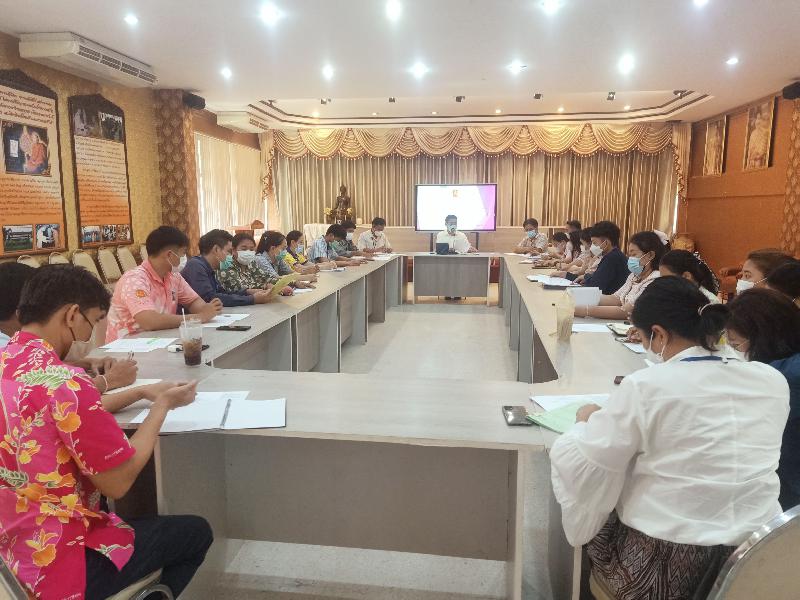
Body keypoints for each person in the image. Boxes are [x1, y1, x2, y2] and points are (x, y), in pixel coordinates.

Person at [551, 276, 789, 600]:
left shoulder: (647, 385)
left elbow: (591, 461)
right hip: (756, 559)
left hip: (663, 561)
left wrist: (584, 422)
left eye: (645, 339)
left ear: (659, 334)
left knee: (595, 515)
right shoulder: (772, 380)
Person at [0, 264, 213, 599]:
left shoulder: (8, 361)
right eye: (92, 322)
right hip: (57, 560)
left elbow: (55, 415)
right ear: (72, 315)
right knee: (195, 533)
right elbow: (118, 481)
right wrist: (161, 406)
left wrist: (140, 392)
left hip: (10, 550)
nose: (87, 338)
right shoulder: (65, 382)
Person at [726, 289, 800, 510]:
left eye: (735, 345)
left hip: (789, 486)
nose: (732, 352)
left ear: (763, 338)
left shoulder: (782, 377)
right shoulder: (789, 358)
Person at [106, 226, 223, 342]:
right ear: (169, 255)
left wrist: (208, 309)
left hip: (158, 341)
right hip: (126, 346)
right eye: (183, 254)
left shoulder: (174, 277)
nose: (185, 258)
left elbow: (193, 302)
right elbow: (149, 321)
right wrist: (198, 317)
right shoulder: (134, 280)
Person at [575, 231, 665, 320]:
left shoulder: (655, 280)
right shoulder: (634, 276)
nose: (630, 259)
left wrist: (585, 310)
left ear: (650, 255)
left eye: (634, 254)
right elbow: (616, 298)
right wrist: (579, 298)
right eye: (630, 255)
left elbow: (626, 311)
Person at [182, 229, 271, 307]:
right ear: (216, 249)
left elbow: (221, 293)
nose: (230, 256)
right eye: (228, 251)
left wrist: (248, 292)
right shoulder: (195, 265)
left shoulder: (208, 268)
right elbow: (210, 298)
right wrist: (252, 299)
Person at [567, 220, 628, 294]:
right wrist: (587, 277)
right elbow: (598, 277)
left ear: (606, 242)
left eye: (594, 243)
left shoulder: (612, 258)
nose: (592, 246)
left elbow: (595, 286)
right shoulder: (613, 255)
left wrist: (586, 279)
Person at [255, 230, 316, 295]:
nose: (285, 251)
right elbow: (275, 278)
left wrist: (304, 277)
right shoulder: (260, 259)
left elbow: (291, 272)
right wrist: (303, 278)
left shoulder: (278, 258)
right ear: (273, 248)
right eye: (283, 248)